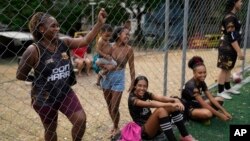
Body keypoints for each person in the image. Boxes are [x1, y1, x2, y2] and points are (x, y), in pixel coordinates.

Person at [16, 9, 106, 141]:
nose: (57, 28)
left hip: (64, 92)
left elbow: (86, 40)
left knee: (80, 119)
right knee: (51, 129)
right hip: (44, 97)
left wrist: (99, 23)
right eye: (53, 26)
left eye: (57, 25)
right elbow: (20, 75)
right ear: (41, 28)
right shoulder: (34, 50)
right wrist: (37, 79)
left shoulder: (64, 43)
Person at [128, 75, 197, 141]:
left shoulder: (145, 93)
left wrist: (173, 100)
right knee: (161, 110)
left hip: (154, 127)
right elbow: (151, 104)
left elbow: (159, 98)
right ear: (135, 86)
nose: (142, 88)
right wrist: (170, 104)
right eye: (139, 86)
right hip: (143, 131)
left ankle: (185, 136)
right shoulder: (133, 99)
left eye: (145, 86)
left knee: (172, 106)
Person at [100, 26, 135, 137]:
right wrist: (106, 67)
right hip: (106, 77)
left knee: (115, 106)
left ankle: (116, 127)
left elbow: (132, 67)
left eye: (129, 35)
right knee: (109, 105)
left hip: (119, 78)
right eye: (126, 34)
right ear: (119, 35)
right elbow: (99, 59)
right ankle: (115, 125)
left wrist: (133, 81)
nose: (128, 36)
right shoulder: (109, 46)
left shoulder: (129, 49)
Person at [181, 56, 232, 123]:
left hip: (197, 104)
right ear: (194, 73)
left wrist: (224, 111)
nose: (203, 75)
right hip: (189, 108)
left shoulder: (201, 81)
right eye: (200, 73)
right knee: (208, 114)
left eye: (204, 72)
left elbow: (211, 98)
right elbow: (203, 104)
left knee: (220, 99)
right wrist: (220, 115)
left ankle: (205, 114)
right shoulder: (191, 85)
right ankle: (195, 116)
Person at [217, 0, 244, 100]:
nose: (241, 3)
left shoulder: (232, 15)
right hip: (227, 47)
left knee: (228, 68)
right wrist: (239, 51)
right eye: (240, 1)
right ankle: (220, 91)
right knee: (224, 68)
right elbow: (232, 36)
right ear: (234, 3)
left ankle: (227, 88)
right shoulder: (230, 17)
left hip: (231, 47)